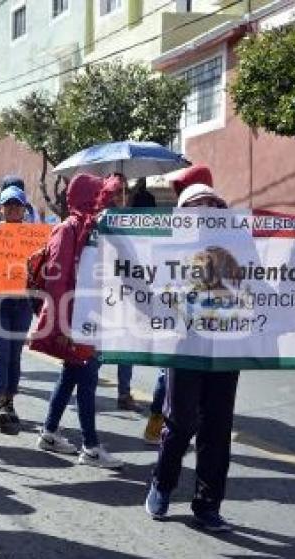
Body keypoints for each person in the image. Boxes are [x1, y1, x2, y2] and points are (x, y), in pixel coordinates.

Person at [145, 183, 239, 532]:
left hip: (225, 347)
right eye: (197, 206)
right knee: (181, 422)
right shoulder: (170, 246)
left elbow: (260, 284)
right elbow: (152, 290)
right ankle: (162, 484)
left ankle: (208, 504)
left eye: (212, 206)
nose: (205, 211)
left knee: (217, 427)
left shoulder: (237, 245)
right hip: (183, 346)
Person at [30, 174, 123, 469]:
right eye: (102, 197)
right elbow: (57, 281)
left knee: (72, 375)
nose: (107, 202)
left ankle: (49, 432)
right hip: (75, 321)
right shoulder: (68, 229)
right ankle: (91, 447)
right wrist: (64, 326)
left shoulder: (91, 230)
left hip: (87, 317)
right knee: (86, 377)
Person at [143, 164, 214, 442]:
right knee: (170, 371)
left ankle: (169, 421)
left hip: (209, 317)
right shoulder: (176, 225)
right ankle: (165, 423)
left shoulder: (226, 223)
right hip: (182, 315)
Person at [0, 180, 33, 432]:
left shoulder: (34, 236)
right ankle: (0, 403)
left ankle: (10, 401)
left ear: (24, 209)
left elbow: (43, 267)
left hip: (22, 303)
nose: (13, 209)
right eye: (8, 205)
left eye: (17, 205)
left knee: (14, 354)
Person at [116, 179, 157, 411]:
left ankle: (124, 392)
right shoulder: (117, 226)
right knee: (112, 347)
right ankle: (121, 392)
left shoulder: (149, 235)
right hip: (117, 296)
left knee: (127, 347)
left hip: (132, 296)